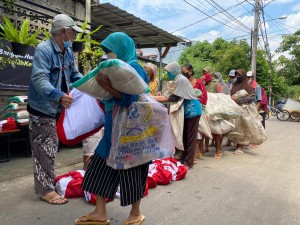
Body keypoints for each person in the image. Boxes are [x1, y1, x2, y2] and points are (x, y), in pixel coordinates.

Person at [75, 32, 149, 225]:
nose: (109, 54)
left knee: (131, 170)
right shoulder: (114, 68)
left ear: (122, 48)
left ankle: (135, 213)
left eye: (111, 50)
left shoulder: (134, 69)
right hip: (112, 129)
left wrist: (107, 87)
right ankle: (100, 212)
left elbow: (130, 99)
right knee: (99, 166)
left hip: (130, 131)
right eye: (107, 51)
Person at [27, 14, 83, 205]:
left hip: (57, 107)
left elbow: (74, 74)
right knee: (45, 147)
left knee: (49, 147)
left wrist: (89, 82)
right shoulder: (44, 50)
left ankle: (46, 182)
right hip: (42, 107)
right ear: (63, 32)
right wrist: (59, 96)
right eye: (73, 32)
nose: (74, 36)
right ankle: (46, 190)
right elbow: (39, 79)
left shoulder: (67, 52)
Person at [165, 62, 202, 169]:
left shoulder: (181, 79)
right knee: (185, 136)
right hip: (187, 111)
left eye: (169, 72)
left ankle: (188, 163)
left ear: (174, 71)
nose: (168, 74)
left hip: (193, 110)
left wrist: (159, 99)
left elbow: (175, 97)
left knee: (190, 137)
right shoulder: (178, 79)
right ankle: (183, 159)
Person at [181, 64, 207, 162]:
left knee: (192, 137)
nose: (183, 73)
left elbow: (204, 97)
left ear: (191, 71)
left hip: (195, 111)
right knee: (185, 136)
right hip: (185, 111)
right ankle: (185, 158)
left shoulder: (199, 82)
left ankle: (189, 161)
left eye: (185, 71)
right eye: (182, 71)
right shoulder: (183, 82)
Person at [230, 69, 255, 154]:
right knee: (235, 127)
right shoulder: (234, 85)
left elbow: (252, 98)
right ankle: (236, 144)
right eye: (236, 74)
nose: (237, 76)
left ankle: (240, 147)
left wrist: (239, 99)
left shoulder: (248, 86)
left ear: (243, 76)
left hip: (243, 110)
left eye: (239, 75)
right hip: (234, 109)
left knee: (242, 128)